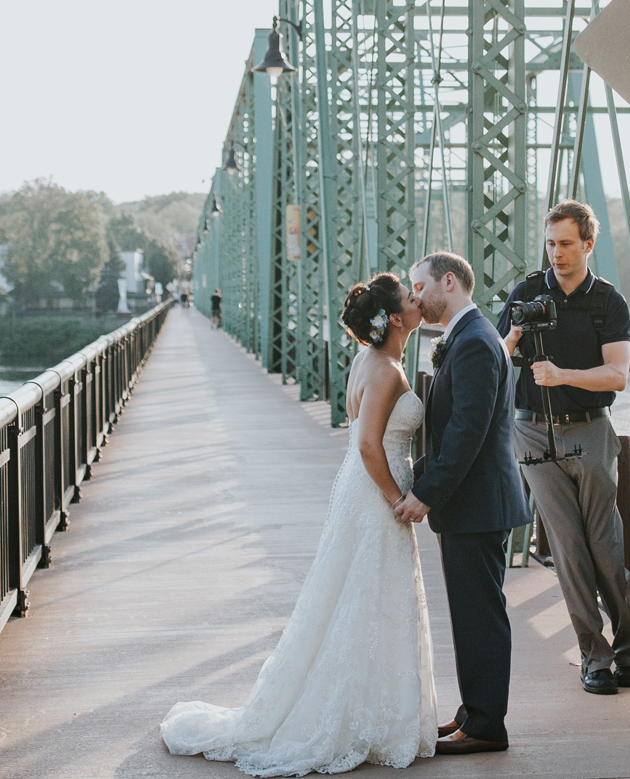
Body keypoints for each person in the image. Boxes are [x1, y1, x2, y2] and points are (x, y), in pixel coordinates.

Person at [161, 273, 438, 774]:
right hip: (377, 492)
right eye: (410, 298)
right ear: (396, 317)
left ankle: (368, 711)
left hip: (361, 488)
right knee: (370, 596)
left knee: (360, 596)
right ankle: (358, 717)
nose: (419, 301)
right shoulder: (388, 372)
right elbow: (370, 445)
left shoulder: (371, 361)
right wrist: (399, 498)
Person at [497, 201, 630, 696]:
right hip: (533, 431)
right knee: (568, 547)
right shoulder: (527, 293)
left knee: (605, 546)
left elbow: (618, 375)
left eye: (566, 243)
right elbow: (496, 356)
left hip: (590, 430)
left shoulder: (608, 302)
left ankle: (627, 649)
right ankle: (594, 658)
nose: (556, 253)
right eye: (550, 243)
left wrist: (564, 376)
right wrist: (513, 335)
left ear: (588, 244)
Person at [397, 252, 531, 756]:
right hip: (475, 504)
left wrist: (425, 494)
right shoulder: (470, 336)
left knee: (480, 615)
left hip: (477, 505)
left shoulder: (474, 342)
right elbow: (456, 429)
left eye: (420, 286)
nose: (415, 297)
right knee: (472, 612)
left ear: (448, 282)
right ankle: (474, 712)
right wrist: (422, 477)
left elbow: (467, 432)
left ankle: (487, 725)